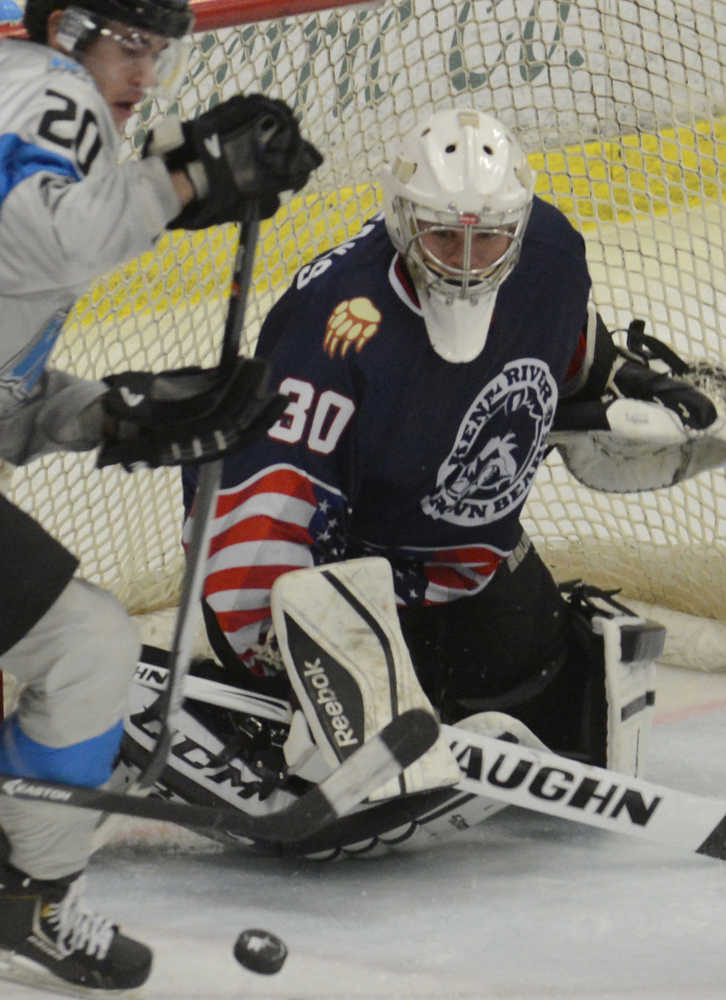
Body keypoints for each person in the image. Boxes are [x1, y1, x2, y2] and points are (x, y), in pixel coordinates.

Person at [123, 107, 723, 859]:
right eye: (445, 236)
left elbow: (564, 347)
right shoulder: (336, 323)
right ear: (404, 223)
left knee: (570, 738)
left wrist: (615, 379)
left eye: (488, 237)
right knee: (338, 792)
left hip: (461, 571)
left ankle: (436, 689)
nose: (468, 261)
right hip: (333, 590)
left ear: (520, 221)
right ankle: (211, 709)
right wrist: (284, 667)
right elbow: (257, 506)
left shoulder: (550, 254)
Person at [0, 0, 321, 992]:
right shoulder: (46, 90)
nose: (143, 75)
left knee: (85, 643)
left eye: (159, 53)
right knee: (83, 646)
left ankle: (32, 895)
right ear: (68, 30)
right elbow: (59, 239)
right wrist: (184, 176)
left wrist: (112, 417)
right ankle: (32, 893)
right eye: (128, 46)